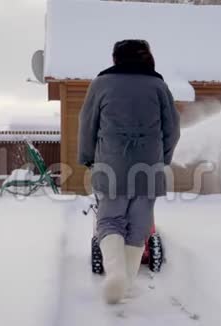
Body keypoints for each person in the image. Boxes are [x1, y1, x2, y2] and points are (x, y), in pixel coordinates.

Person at [78, 39, 180, 304]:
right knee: (139, 226)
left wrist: (88, 159)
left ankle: (115, 274)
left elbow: (87, 124)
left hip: (111, 165)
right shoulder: (159, 86)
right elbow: (172, 130)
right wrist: (163, 159)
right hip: (149, 167)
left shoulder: (101, 84)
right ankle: (127, 282)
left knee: (109, 220)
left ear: (116, 58)